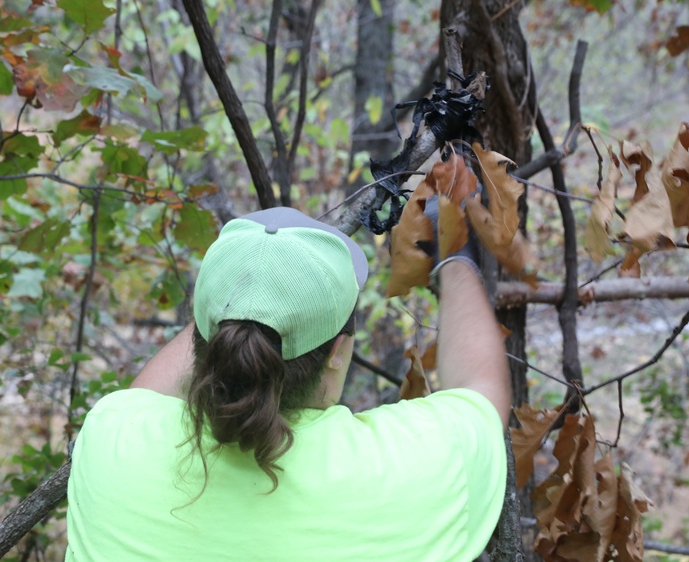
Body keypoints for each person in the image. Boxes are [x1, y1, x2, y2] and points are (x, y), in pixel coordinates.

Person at [65, 206, 511, 561]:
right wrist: (455, 254)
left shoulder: (112, 440)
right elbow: (481, 385)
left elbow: (148, 394)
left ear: (205, 336)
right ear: (337, 352)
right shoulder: (414, 464)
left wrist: (250, 291)